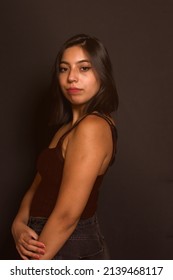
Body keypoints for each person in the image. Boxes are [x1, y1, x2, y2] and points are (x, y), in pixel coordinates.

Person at [11, 34, 118, 260]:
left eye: (84, 68)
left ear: (102, 74)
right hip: (42, 239)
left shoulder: (93, 127)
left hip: (66, 246)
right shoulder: (66, 128)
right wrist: (18, 224)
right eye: (63, 69)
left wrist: (33, 267)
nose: (71, 78)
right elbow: (36, 186)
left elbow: (68, 216)